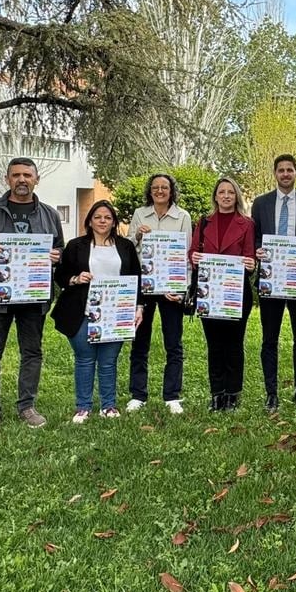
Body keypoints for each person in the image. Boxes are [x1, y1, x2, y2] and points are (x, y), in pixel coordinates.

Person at [0, 158, 63, 436]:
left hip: (33, 294)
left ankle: (27, 406)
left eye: (27, 175)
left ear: (36, 179)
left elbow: (60, 249)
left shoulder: (49, 215)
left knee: (31, 351)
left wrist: (56, 258)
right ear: (7, 179)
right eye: (16, 175)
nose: (22, 179)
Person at [54, 199, 144, 422]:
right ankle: (83, 406)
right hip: (81, 310)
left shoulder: (125, 246)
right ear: (90, 221)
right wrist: (76, 278)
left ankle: (108, 405)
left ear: (114, 222)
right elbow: (60, 276)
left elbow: (136, 277)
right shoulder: (76, 245)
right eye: (98, 217)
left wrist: (139, 306)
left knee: (108, 360)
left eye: (107, 217)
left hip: (116, 312)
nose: (102, 221)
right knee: (84, 359)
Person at [251, 154, 296, 410]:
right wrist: (258, 249)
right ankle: (271, 393)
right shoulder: (260, 203)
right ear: (275, 173)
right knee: (269, 339)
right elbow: (255, 237)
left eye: (289, 170)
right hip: (271, 280)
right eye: (281, 170)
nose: (285, 174)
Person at [126, 173, 193, 415]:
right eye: (155, 187)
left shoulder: (183, 216)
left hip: (170, 286)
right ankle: (138, 394)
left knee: (173, 342)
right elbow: (129, 248)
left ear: (171, 191)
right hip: (144, 284)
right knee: (139, 340)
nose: (160, 191)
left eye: (164, 187)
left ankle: (172, 396)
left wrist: (182, 288)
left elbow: (187, 254)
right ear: (150, 191)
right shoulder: (139, 214)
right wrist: (138, 235)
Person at [191, 177, 256, 410]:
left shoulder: (247, 224)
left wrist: (251, 264)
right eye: (222, 192)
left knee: (234, 344)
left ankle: (233, 394)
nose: (226, 196)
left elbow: (250, 257)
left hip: (235, 292)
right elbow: (193, 252)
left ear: (236, 196)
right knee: (215, 345)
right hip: (209, 291)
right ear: (215, 196)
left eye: (231, 192)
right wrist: (194, 258)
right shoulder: (204, 222)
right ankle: (217, 393)